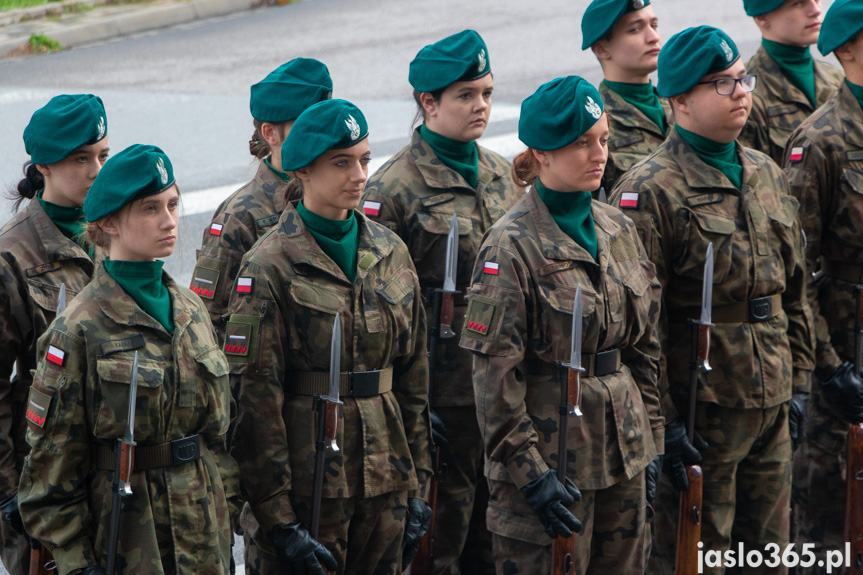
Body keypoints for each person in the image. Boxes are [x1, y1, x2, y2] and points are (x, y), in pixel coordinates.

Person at [609, 26, 815, 575]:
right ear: (680, 101)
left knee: (770, 551)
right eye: (720, 84)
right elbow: (637, 327)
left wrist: (801, 381)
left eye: (741, 79)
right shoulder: (649, 190)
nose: (741, 91)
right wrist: (664, 424)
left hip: (771, 394)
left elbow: (793, 293)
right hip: (704, 404)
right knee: (699, 555)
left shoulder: (766, 171)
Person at [459, 75, 663, 574]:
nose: (599, 155)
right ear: (543, 154)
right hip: (552, 466)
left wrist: (650, 441)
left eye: (603, 140)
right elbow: (495, 379)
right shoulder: (509, 245)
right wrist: (530, 474)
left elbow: (644, 349)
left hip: (623, 454)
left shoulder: (616, 227)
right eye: (581, 144)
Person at [226, 99, 433, 575]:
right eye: (342, 163)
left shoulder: (389, 250)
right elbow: (254, 401)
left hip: (386, 476)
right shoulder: (269, 265)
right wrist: (276, 517)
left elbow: (414, 379)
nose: (359, 174)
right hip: (308, 484)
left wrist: (418, 483)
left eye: (364, 159)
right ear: (303, 170)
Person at [17, 144, 240, 575]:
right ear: (109, 223)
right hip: (129, 541)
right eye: (149, 209)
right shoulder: (79, 327)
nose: (169, 220)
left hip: (204, 537)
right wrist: (77, 561)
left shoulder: (192, 311)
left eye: (173, 204)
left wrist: (223, 510)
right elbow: (51, 469)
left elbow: (219, 438)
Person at [361, 29, 522, 575]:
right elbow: (377, 314)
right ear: (428, 103)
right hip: (440, 396)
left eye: (486, 93)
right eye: (465, 95)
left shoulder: (502, 175)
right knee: (440, 545)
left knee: (497, 539)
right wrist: (409, 408)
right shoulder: (391, 191)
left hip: (499, 392)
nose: (480, 106)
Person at [0, 94, 108, 575]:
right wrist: (7, 491)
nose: (96, 170)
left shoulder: (117, 231)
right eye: (81, 159)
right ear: (43, 166)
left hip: (111, 467)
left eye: (104, 155)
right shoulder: (13, 257)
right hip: (42, 474)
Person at [783, 2, 863, 570]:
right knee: (830, 529)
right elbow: (796, 274)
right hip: (845, 353)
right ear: (851, 48)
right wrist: (829, 368)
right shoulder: (820, 142)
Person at [193, 58, 332, 338]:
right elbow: (208, 323)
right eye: (305, 124)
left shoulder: (339, 196)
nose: (321, 135)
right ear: (270, 133)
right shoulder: (239, 218)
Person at [581, 0, 673, 194]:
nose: (653, 37)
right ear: (601, 49)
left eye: (654, 25)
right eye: (635, 29)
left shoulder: (681, 105)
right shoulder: (593, 123)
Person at [739, 0, 843, 165]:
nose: (815, 10)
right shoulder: (743, 94)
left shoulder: (838, 78)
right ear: (762, 17)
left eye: (817, 0)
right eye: (799, 3)